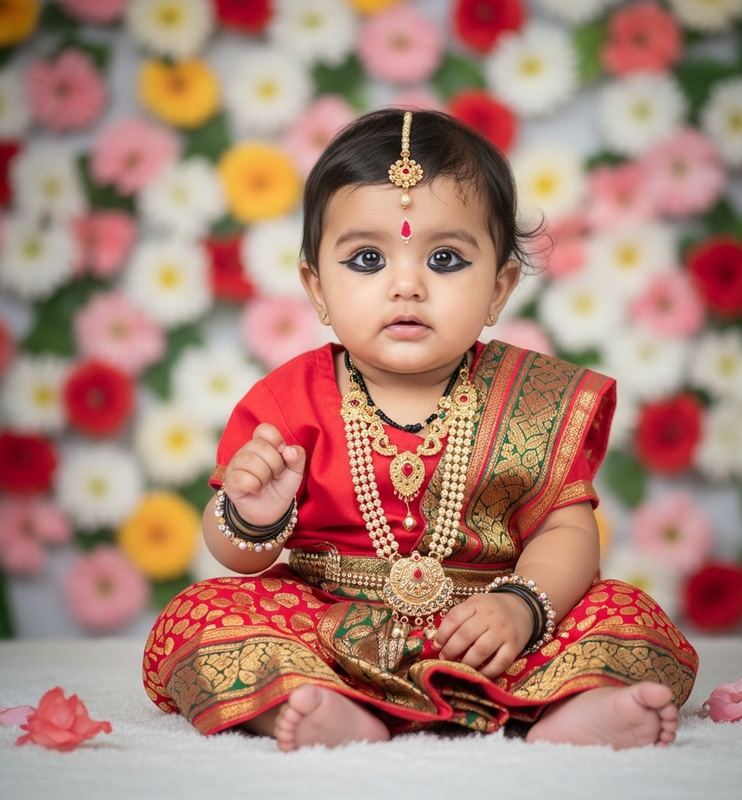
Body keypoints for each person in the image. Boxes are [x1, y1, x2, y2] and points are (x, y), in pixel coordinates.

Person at [142, 108, 698, 752]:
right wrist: (252, 517)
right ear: (316, 289)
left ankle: (572, 709)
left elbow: (565, 529)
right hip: (328, 630)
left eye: (444, 258)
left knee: (629, 615)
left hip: (490, 632)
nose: (406, 285)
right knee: (201, 617)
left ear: (499, 288)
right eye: (368, 258)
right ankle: (314, 707)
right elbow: (238, 556)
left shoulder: (534, 398)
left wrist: (521, 608)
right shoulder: (287, 400)